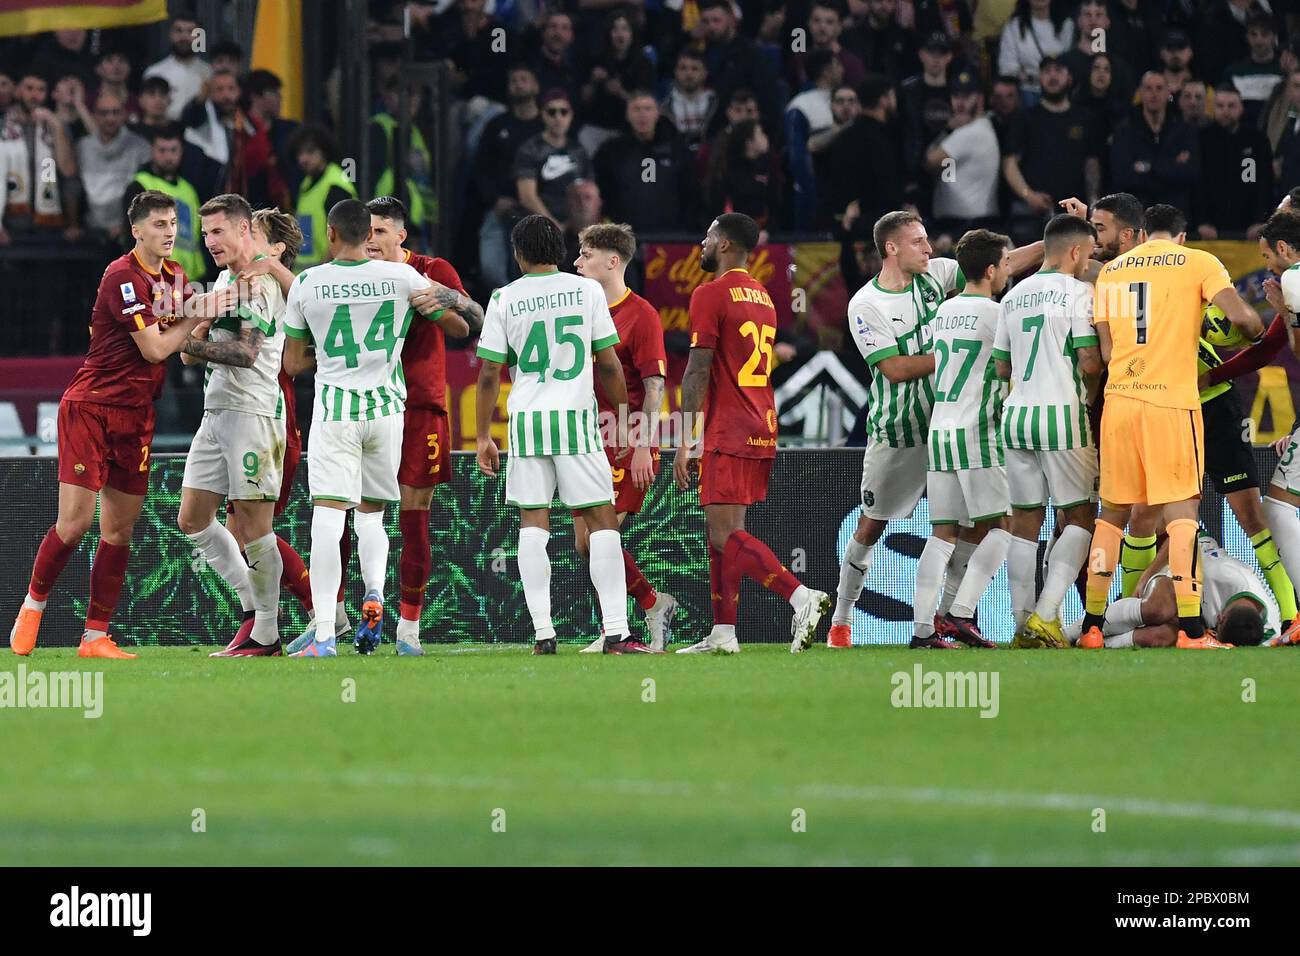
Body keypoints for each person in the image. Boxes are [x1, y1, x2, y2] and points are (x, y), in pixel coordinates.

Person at [8, 190, 219, 658]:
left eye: (172, 224)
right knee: (75, 523)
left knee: (119, 530)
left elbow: (185, 332)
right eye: (159, 224)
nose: (169, 232)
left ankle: (95, 636)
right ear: (137, 230)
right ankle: (32, 607)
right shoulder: (123, 277)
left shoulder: (176, 275)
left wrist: (205, 315)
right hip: (92, 407)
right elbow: (155, 348)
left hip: (138, 414)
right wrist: (198, 312)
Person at [828, 210, 1042, 648]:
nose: (929, 250)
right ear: (891, 248)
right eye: (918, 242)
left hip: (945, 425)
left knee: (962, 527)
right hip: (900, 433)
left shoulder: (934, 277)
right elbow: (894, 368)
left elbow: (998, 263)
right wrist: (955, 352)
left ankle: (945, 618)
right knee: (871, 526)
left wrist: (1051, 245)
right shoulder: (866, 305)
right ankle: (842, 617)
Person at [1080, 203, 1262, 649]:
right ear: (1181, 237)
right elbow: (1242, 319)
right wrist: (1254, 331)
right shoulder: (1199, 262)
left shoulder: (1112, 272)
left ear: (1142, 234)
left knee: (1112, 516)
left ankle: (1091, 627)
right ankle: (1193, 631)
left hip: (1119, 401)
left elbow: (1105, 354)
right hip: (1170, 402)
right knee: (1182, 516)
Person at [474, 214, 651, 654]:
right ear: (556, 249)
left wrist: (482, 436)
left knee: (533, 524)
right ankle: (616, 631)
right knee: (601, 521)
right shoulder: (587, 290)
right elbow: (608, 363)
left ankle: (543, 634)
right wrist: (627, 416)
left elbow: (489, 374)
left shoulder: (504, 298)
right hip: (575, 423)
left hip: (528, 424)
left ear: (518, 254)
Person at [280, 199, 439, 657]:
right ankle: (375, 593)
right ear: (367, 234)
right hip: (388, 412)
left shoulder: (309, 283)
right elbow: (444, 314)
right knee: (373, 516)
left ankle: (326, 633)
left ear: (331, 234)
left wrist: (325, 351)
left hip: (337, 412)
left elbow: (291, 363)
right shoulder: (401, 277)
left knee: (328, 520)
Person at [673, 213, 831, 654]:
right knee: (725, 534)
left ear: (724, 244)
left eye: (707, 237)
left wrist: (686, 439)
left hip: (730, 426)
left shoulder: (710, 294)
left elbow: (698, 368)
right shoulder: (762, 296)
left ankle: (801, 597)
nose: (701, 245)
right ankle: (723, 634)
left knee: (725, 535)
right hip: (761, 423)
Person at [364, 196, 479, 655]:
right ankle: (350, 621)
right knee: (361, 517)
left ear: (400, 235)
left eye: (379, 232)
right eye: (366, 232)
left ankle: (408, 630)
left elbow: (465, 327)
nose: (370, 241)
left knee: (413, 521)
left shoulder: (432, 269)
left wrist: (438, 300)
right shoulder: (355, 274)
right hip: (366, 408)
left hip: (420, 407)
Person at [175, 194, 287, 657]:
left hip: (252, 414)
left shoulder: (258, 284)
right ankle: (251, 610)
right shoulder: (224, 281)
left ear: (244, 230)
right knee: (192, 519)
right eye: (205, 233)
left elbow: (245, 354)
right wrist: (193, 330)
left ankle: (267, 631)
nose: (210, 241)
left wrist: (188, 332)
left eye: (218, 231)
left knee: (256, 528)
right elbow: (188, 350)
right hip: (216, 411)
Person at [993, 214, 1102, 647]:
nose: (1089, 262)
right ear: (1075, 251)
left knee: (1025, 523)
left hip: (1015, 417)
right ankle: (1045, 616)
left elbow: (1003, 366)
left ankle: (1022, 625)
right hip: (1062, 416)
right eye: (1089, 254)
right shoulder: (1079, 293)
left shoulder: (1012, 295)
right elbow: (1091, 362)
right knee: (1080, 518)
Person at [572, 223, 678, 652]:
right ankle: (648, 605)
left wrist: (641, 447)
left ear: (612, 261)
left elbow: (654, 387)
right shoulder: (582, 308)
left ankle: (622, 624)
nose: (576, 263)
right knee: (585, 543)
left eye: (585, 255)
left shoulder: (643, 315)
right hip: (590, 439)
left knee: (599, 538)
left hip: (628, 439)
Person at [913, 229, 1012, 648]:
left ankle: (922, 630)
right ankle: (960, 614)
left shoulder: (944, 312)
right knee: (1006, 525)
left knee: (943, 533)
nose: (1008, 271)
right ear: (990, 270)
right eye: (1006, 264)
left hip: (942, 430)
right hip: (980, 431)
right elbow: (1010, 369)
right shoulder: (997, 314)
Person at [1094, 533, 1275, 648]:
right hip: (1182, 554)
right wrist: (1146, 577)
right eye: (1216, 630)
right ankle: (1083, 630)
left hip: (1196, 613)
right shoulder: (1217, 574)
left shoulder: (1269, 629)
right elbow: (1182, 539)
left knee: (1161, 637)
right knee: (1158, 609)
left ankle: (1102, 644)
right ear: (1221, 617)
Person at [1254, 209, 1300, 645]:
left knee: (1279, 504)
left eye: (1269, 256)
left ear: (1284, 249)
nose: (1268, 266)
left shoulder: (1294, 279)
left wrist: (1282, 310)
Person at [124, 125, 205, 279]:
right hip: (153, 275)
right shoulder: (140, 185)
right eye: (162, 150)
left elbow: (196, 236)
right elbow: (131, 236)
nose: (168, 156)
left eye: (173, 150)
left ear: (181, 151)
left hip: (189, 278)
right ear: (152, 150)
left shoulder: (189, 190)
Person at [76, 90, 149, 243]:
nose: (110, 118)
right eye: (104, 113)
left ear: (124, 114)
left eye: (116, 112)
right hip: (89, 231)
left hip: (128, 233)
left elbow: (146, 193)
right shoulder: (82, 147)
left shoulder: (141, 147)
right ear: (94, 115)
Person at [289, 124, 359, 270]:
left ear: (324, 152)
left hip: (326, 276)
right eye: (300, 153)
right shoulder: (306, 184)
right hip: (307, 276)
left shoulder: (335, 186)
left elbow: (342, 237)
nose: (303, 158)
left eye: (310, 152)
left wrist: (324, 271)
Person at [143, 16, 211, 120]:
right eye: (178, 31)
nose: (184, 37)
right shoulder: (154, 72)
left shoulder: (209, 72)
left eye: (191, 32)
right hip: (164, 133)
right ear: (170, 35)